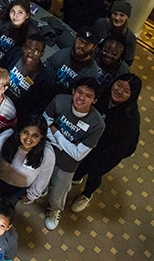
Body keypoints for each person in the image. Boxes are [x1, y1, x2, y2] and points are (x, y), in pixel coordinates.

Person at [70, 74, 141, 213]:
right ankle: (77, 177)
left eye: (126, 91)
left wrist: (103, 154)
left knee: (95, 174)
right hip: (90, 142)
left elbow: (127, 147)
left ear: (132, 96)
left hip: (108, 153)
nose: (119, 91)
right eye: (118, 85)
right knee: (82, 164)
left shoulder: (130, 119)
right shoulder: (102, 94)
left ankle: (86, 195)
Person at [43, 77, 105, 230]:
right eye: (79, 92)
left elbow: (77, 154)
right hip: (47, 149)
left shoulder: (97, 124)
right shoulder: (59, 101)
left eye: (88, 96)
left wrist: (56, 132)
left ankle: (55, 210)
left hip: (67, 164)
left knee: (59, 191)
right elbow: (44, 124)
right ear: (73, 91)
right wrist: (67, 144)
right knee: (41, 177)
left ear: (95, 100)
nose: (81, 98)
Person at [0, 114, 55, 207]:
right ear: (20, 131)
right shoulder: (5, 138)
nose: (28, 139)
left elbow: (43, 178)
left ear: (42, 137)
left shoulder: (47, 154)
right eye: (25, 132)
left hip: (19, 189)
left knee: (6, 208)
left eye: (35, 136)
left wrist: (31, 195)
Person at [2, 33, 55, 117]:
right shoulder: (14, 53)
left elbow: (36, 108)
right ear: (23, 47)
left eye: (36, 52)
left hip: (14, 114)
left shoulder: (45, 79)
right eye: (28, 49)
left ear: (42, 53)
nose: (30, 54)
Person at [0, 0, 36, 68]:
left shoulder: (30, 33)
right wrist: (9, 58)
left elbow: (24, 61)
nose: (15, 16)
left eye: (20, 12)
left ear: (27, 15)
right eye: (13, 11)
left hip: (10, 67)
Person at [44, 28, 101, 96]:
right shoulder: (63, 53)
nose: (82, 46)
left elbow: (80, 96)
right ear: (76, 38)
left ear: (94, 47)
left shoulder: (91, 72)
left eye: (87, 44)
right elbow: (46, 71)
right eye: (80, 41)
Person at [91, 0, 137, 66]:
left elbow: (128, 61)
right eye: (115, 14)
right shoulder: (101, 24)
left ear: (127, 17)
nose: (117, 18)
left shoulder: (130, 38)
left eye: (122, 15)